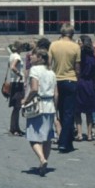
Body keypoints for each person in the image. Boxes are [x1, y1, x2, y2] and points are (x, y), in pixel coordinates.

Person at [21, 48, 56, 177]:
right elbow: (56, 93)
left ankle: (42, 158)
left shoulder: (35, 70)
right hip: (50, 105)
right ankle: (43, 163)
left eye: (33, 55)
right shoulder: (51, 71)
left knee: (33, 135)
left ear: (40, 57)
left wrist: (25, 100)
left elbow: (34, 89)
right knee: (47, 136)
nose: (30, 57)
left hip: (38, 105)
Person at [48, 23, 81, 153]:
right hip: (70, 79)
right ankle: (64, 141)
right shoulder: (75, 46)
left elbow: (49, 64)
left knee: (60, 111)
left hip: (56, 80)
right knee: (69, 113)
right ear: (72, 34)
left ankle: (66, 141)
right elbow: (77, 67)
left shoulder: (54, 45)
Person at [75, 35, 95, 142]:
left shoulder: (79, 55)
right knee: (89, 111)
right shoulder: (93, 56)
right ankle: (89, 134)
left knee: (77, 110)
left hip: (80, 81)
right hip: (90, 83)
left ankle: (79, 133)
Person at [8, 41, 25, 136]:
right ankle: (14, 128)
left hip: (13, 82)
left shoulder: (11, 55)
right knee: (17, 106)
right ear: (19, 48)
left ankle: (15, 127)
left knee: (16, 107)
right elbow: (13, 67)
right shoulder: (17, 57)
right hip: (18, 82)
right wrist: (20, 74)